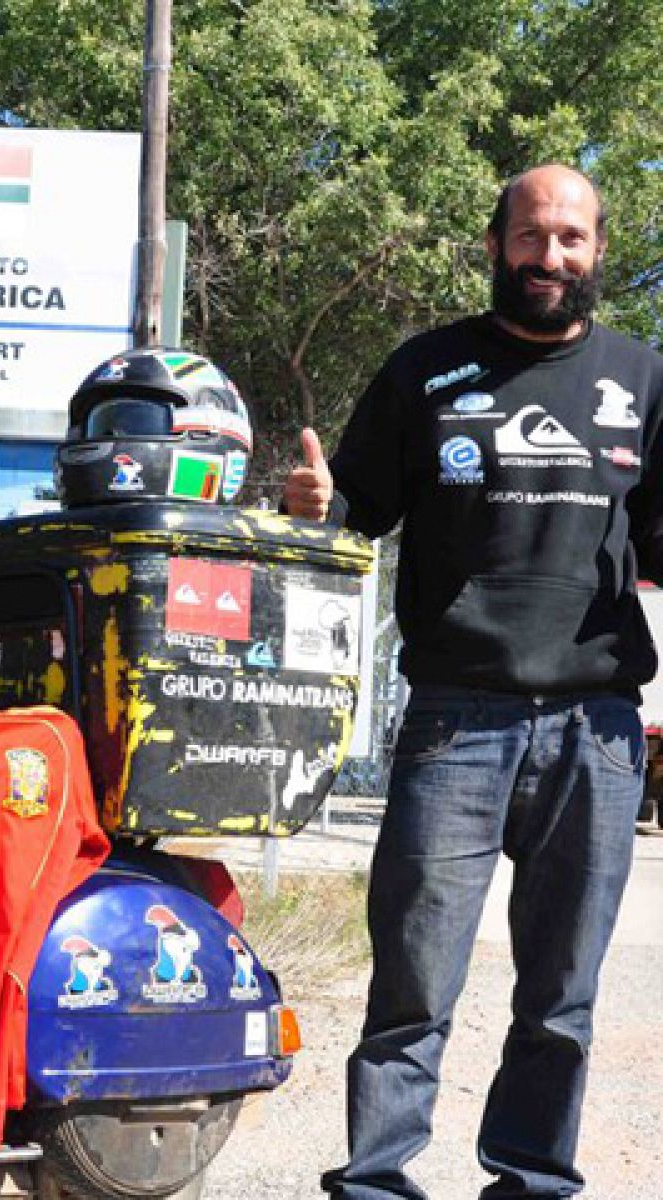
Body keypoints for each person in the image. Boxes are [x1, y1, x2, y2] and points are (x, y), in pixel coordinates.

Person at [284, 164, 663, 1198]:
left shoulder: (644, 378)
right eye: (533, 236)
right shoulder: (425, 370)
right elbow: (352, 509)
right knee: (413, 981)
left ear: (597, 251)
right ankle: (375, 1180)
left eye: (572, 239)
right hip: (457, 722)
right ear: (496, 243)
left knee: (562, 994)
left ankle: (531, 1179)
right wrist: (316, 503)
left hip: (596, 728)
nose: (551, 257)